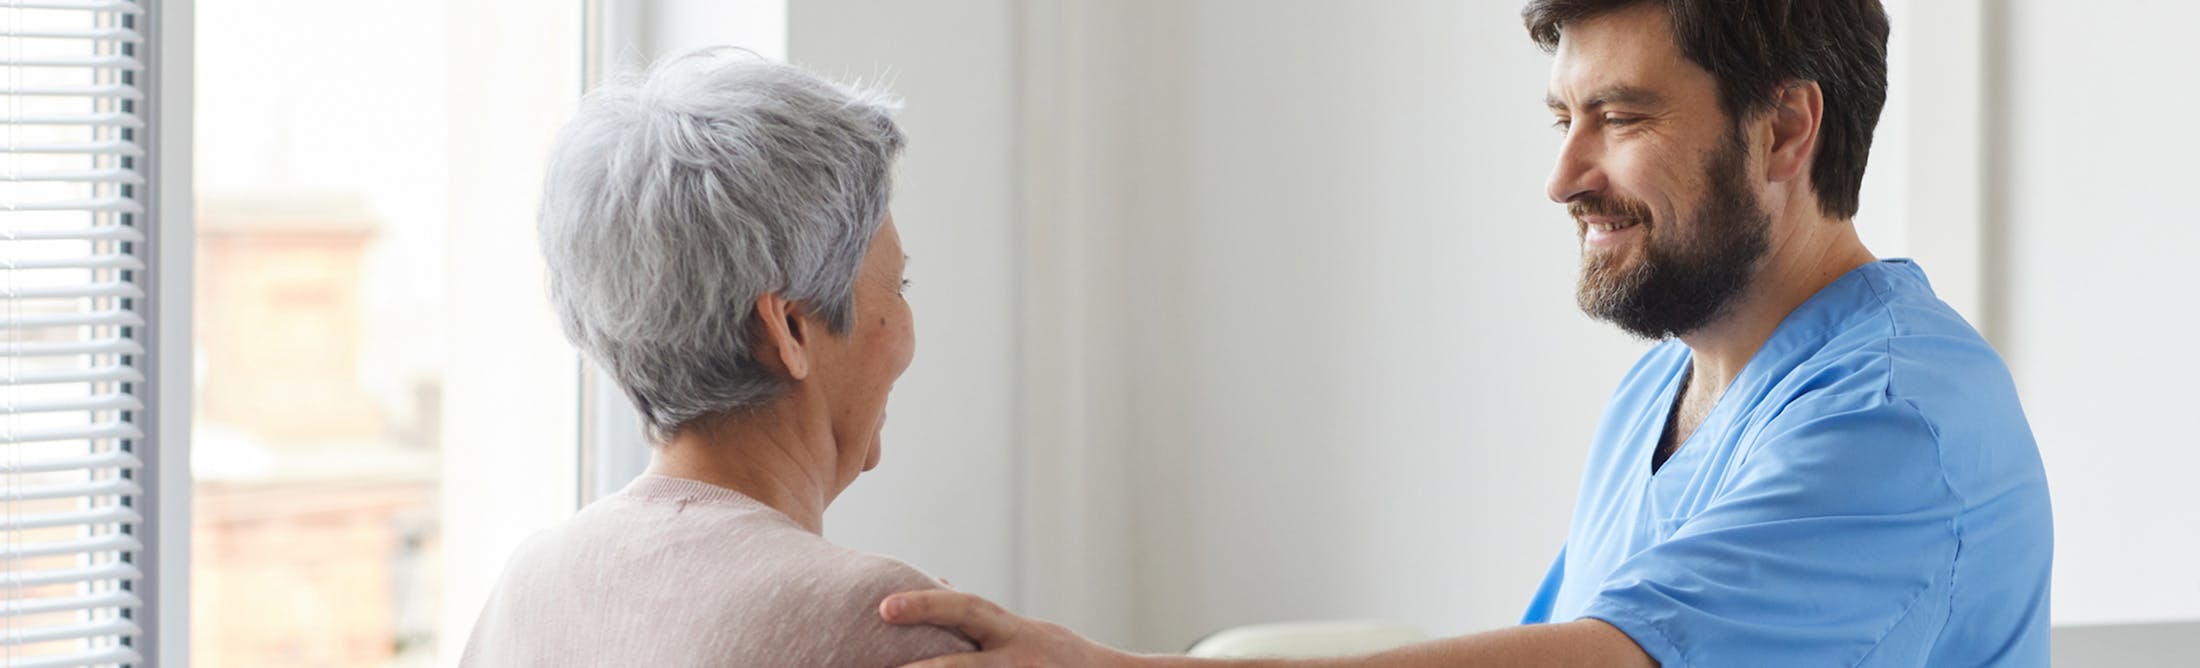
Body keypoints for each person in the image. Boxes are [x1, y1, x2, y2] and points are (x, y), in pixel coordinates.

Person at [877, 0, 2052, 665]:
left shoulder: (1895, 421)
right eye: (1560, 118)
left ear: (1784, 129)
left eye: (1619, 116)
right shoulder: (1658, 396)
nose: (1563, 176)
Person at [459, 50, 976, 666]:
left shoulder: (525, 590)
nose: (906, 336)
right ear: (789, 329)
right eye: (898, 288)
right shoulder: (886, 618)